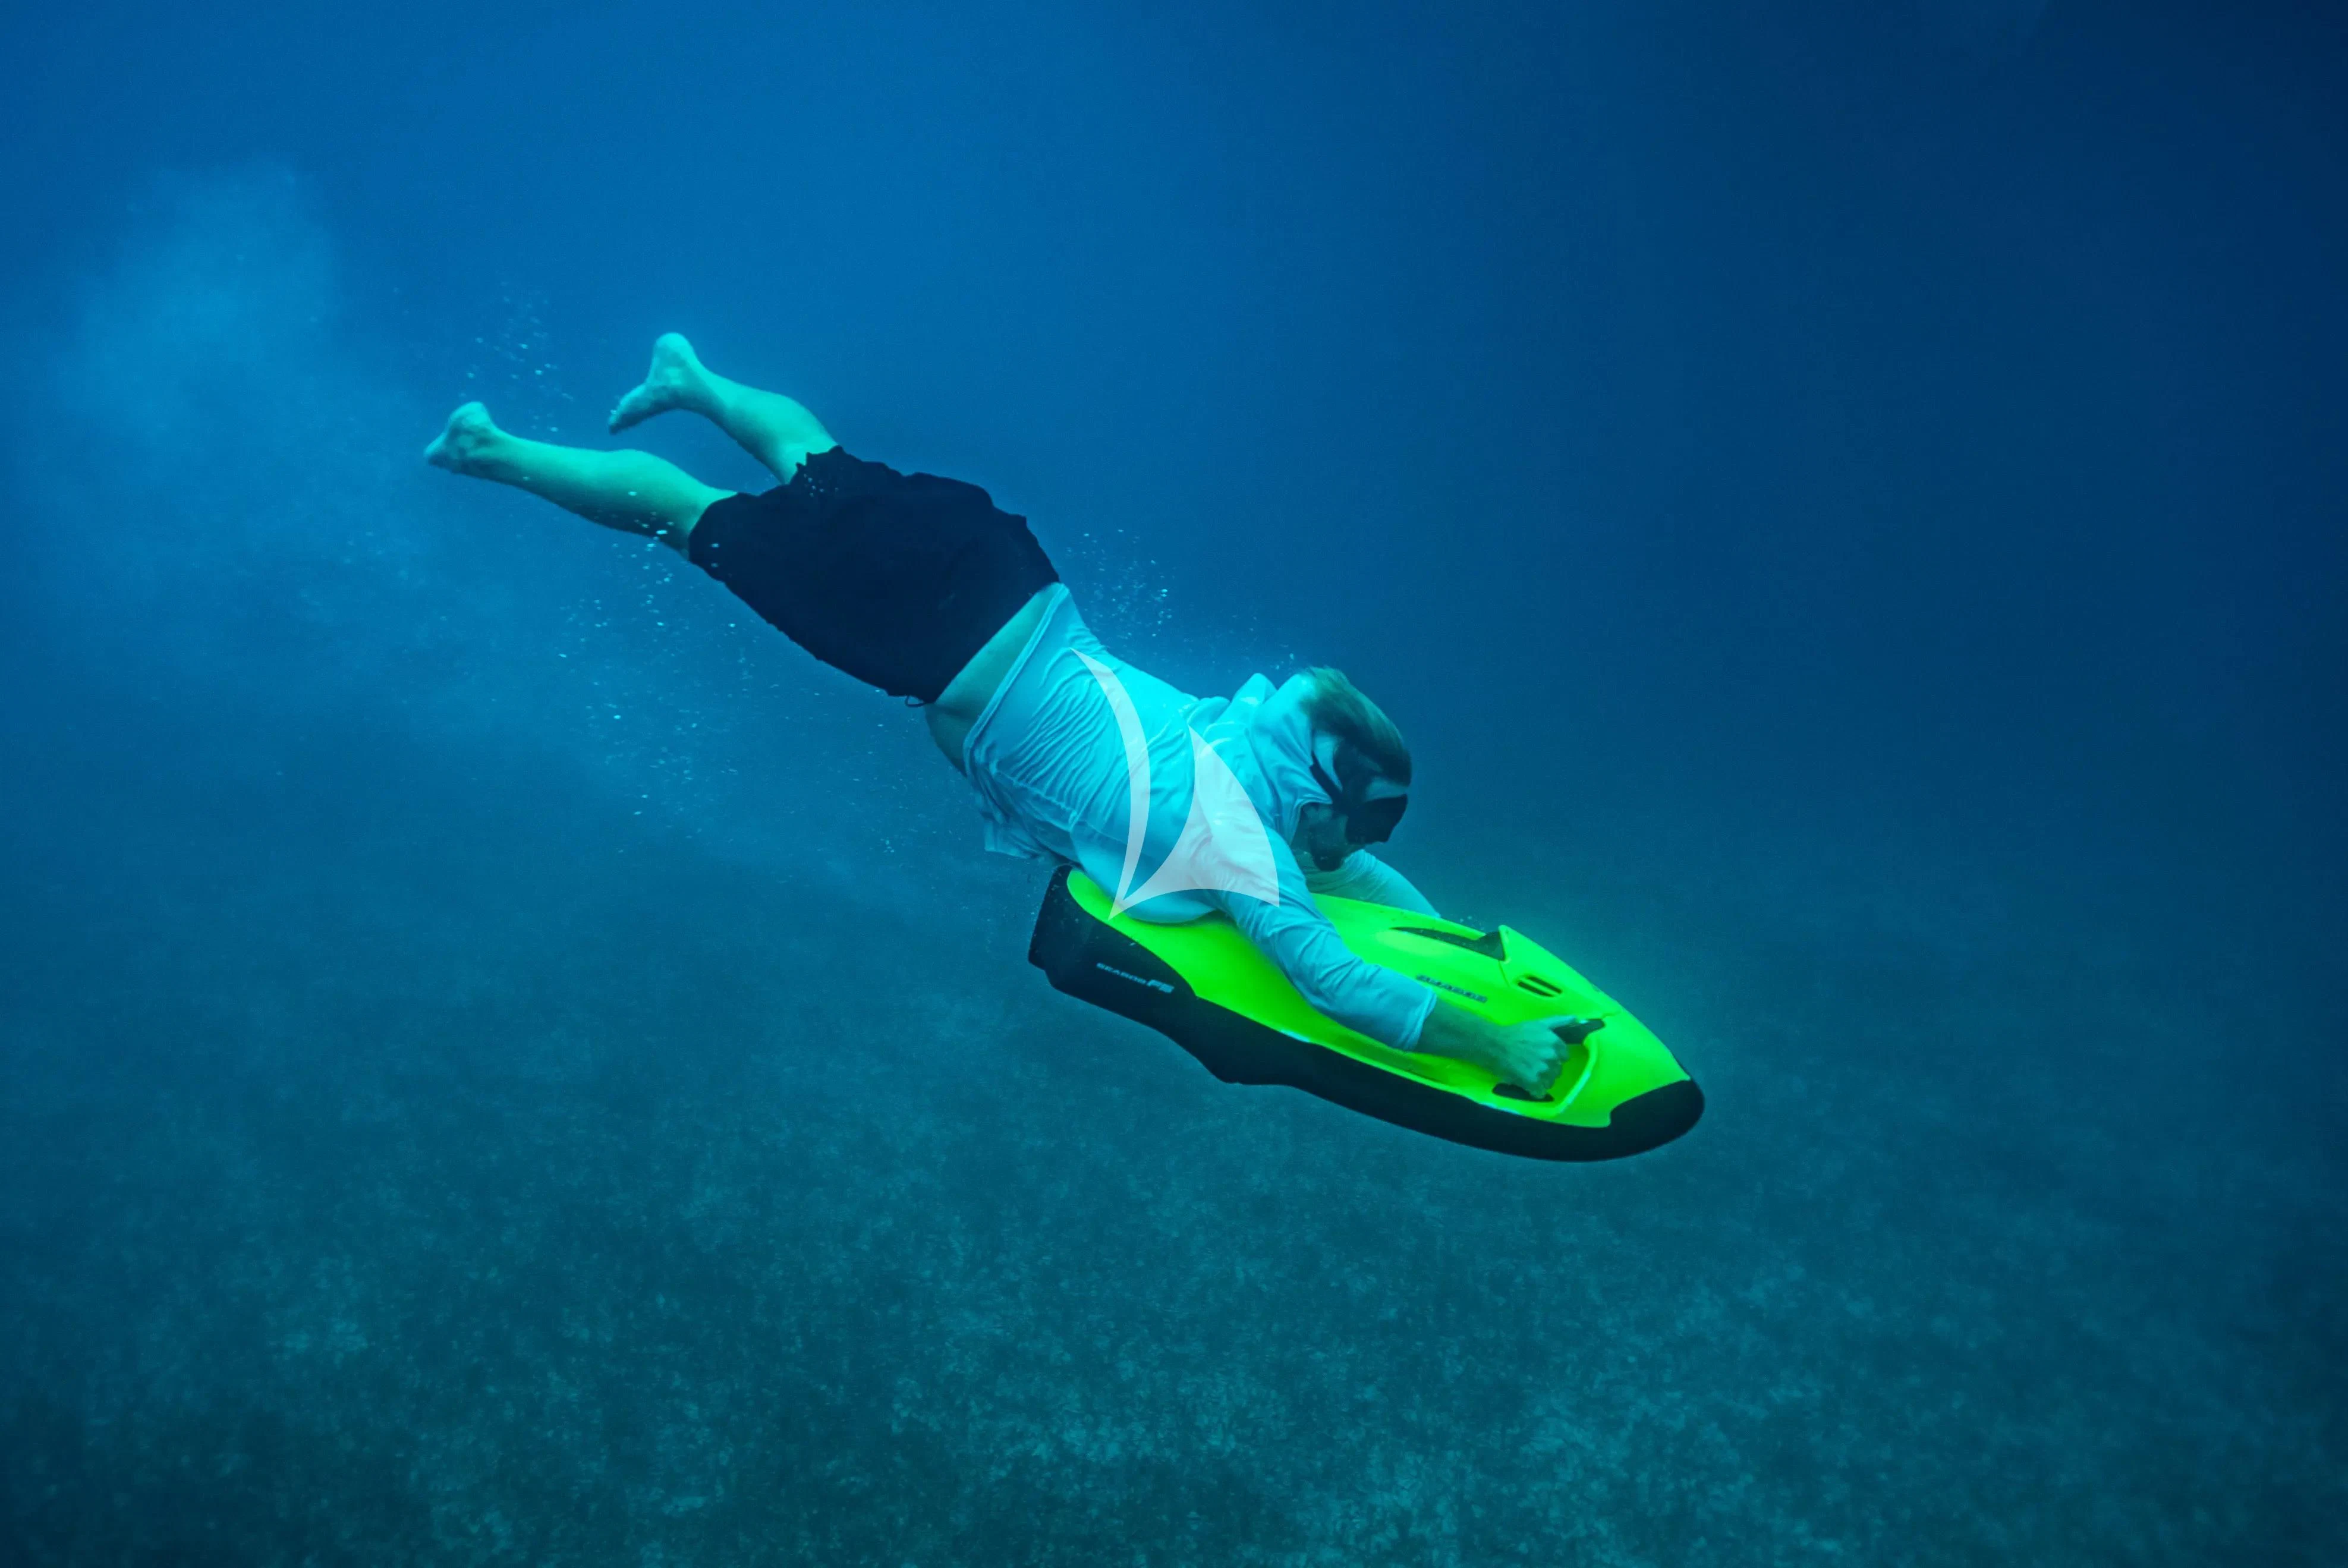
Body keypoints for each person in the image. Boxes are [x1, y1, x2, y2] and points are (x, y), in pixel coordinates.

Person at [426, 334, 1571, 1093]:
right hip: (929, 640)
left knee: (820, 466)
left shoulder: (1244, 737)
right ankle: (490, 448)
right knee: (691, 516)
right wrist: (1493, 1042)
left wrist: (1458, 941)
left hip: (1009, 569)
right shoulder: (1233, 835)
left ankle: (691, 375)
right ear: (1312, 795)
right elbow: (1331, 975)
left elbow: (1359, 897)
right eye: (1359, 830)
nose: (1354, 856)